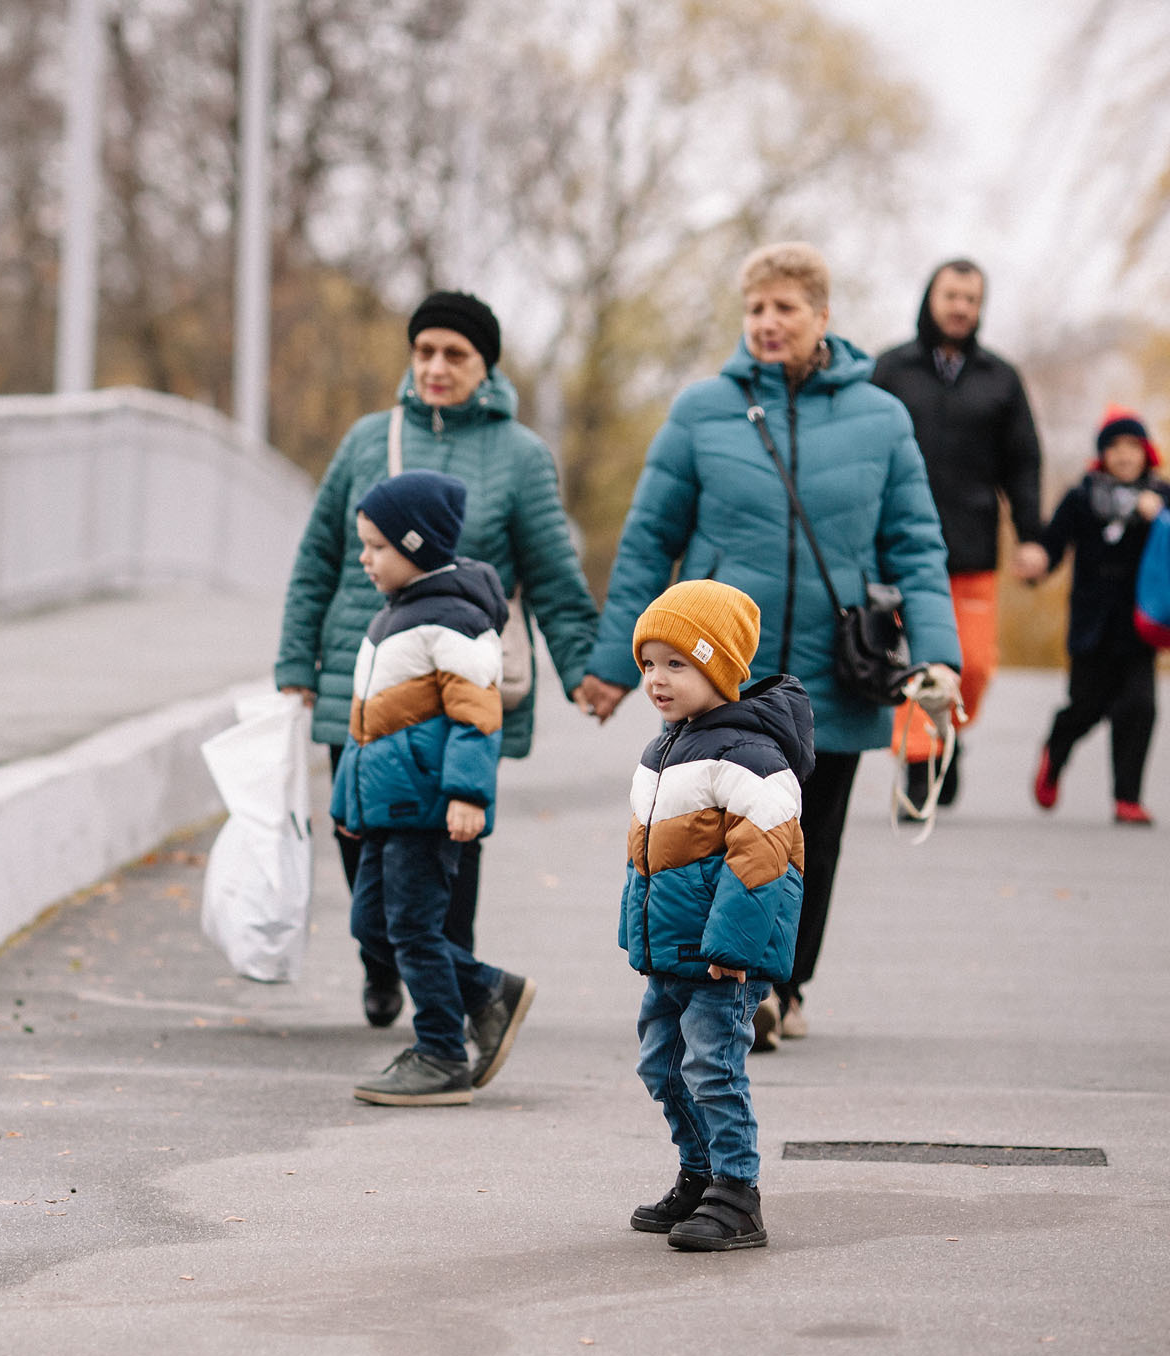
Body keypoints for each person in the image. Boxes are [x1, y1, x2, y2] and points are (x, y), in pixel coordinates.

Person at [575, 242, 960, 1051]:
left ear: (822, 316)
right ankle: (735, 985)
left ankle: (784, 985)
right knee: (715, 830)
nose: (767, 322)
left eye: (785, 307)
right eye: (755, 308)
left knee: (808, 835)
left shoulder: (881, 419)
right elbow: (649, 541)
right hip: (719, 673)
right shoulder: (701, 411)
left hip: (836, 672)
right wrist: (614, 664)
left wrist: (939, 657)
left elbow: (917, 547)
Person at [274, 290, 599, 1030]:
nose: (436, 367)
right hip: (360, 680)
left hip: (457, 690)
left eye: (456, 354)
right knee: (363, 842)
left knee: (450, 848)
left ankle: (453, 1009)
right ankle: (386, 962)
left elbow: (552, 574)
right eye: (424, 351)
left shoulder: (520, 455)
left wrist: (586, 671)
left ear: (486, 366)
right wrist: (295, 661)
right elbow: (318, 556)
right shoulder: (368, 439)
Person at [617, 580, 812, 1251]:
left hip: (721, 959)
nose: (657, 679)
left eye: (677, 663)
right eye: (649, 663)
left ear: (721, 669)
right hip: (672, 951)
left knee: (713, 1069)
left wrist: (734, 948)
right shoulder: (662, 752)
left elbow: (763, 860)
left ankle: (737, 1193)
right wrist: (636, 931)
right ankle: (699, 1174)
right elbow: (646, 855)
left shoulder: (751, 756)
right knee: (662, 1066)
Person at [331, 471, 536, 1107]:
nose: (364, 558)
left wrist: (468, 794)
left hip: (424, 808)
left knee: (413, 929)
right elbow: (367, 724)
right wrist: (347, 802)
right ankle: (486, 990)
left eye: (377, 546)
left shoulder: (454, 620)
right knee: (372, 925)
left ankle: (442, 1052)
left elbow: (478, 714)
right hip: (386, 808)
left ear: (416, 545)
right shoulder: (394, 615)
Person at [872, 260, 1045, 809]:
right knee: (912, 662)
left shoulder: (1001, 379)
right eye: (951, 296)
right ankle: (918, 765)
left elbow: (1023, 464)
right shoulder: (890, 370)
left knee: (972, 664)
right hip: (898, 551)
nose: (960, 307)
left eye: (971, 299)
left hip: (971, 548)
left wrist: (1032, 536)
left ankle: (947, 730)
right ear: (931, 298)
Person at [1016, 409, 1165, 825]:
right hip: (1091, 625)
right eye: (1115, 447)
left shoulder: (1161, 497)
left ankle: (1127, 798)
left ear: (1147, 453)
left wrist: (1160, 517)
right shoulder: (1082, 497)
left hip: (1140, 626)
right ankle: (1056, 749)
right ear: (1102, 454)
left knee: (1139, 707)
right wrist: (1037, 564)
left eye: (1133, 446)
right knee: (1087, 705)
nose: (1124, 455)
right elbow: (1053, 544)